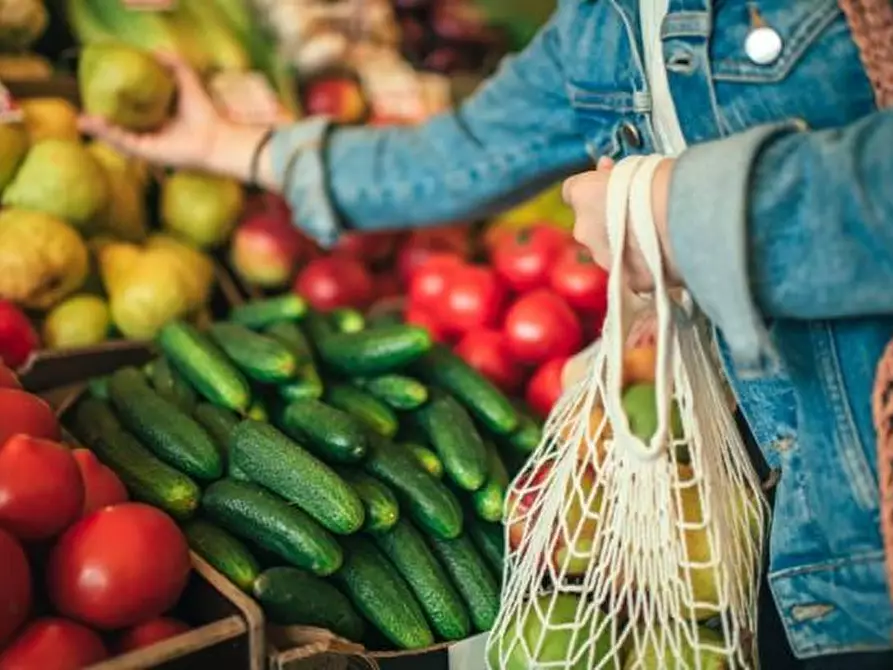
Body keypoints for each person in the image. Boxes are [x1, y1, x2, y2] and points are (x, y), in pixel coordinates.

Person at [82, 1, 893, 666]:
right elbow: (460, 156)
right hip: (772, 533)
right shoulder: (603, 22)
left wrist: (693, 215)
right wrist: (225, 143)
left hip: (871, 542)